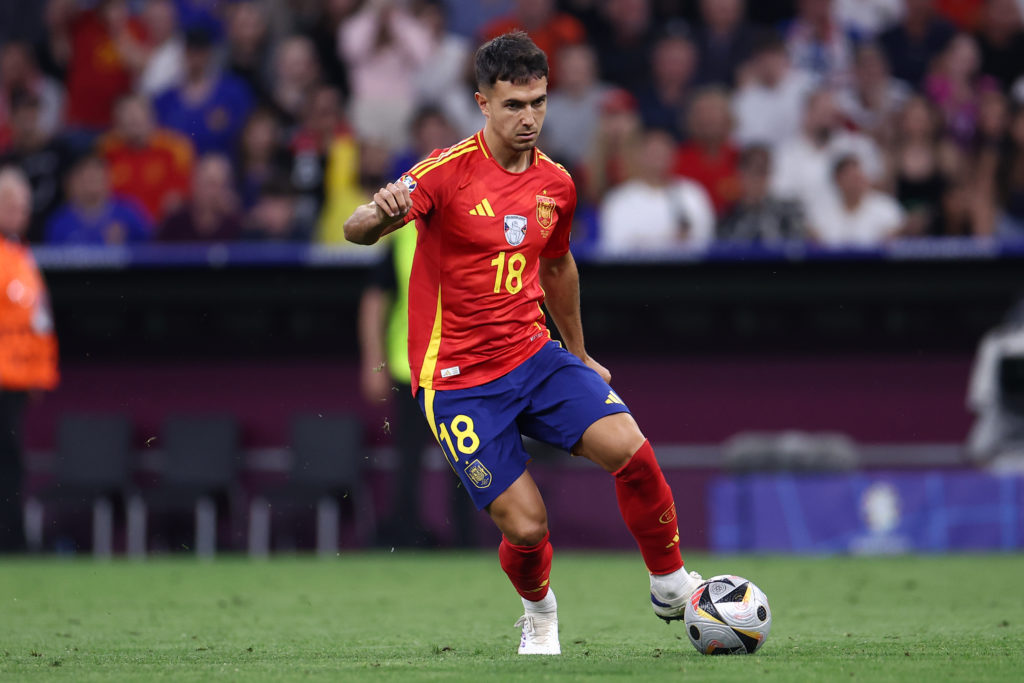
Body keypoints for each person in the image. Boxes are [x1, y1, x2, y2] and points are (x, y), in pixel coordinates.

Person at [343, 31, 702, 656]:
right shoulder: (444, 173)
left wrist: (581, 353)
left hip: (533, 357)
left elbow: (558, 268)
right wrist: (379, 210)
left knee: (632, 450)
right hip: (457, 382)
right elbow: (357, 230)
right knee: (528, 524)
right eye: (514, 105)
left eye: (538, 101)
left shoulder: (556, 185)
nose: (529, 117)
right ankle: (539, 614)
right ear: (483, 103)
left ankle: (670, 585)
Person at [358, 225, 476, 548]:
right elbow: (375, 301)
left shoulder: (475, 225)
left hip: (463, 369)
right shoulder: (402, 238)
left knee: (468, 458)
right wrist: (373, 361)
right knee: (409, 458)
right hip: (410, 368)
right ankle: (406, 535)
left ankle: (465, 539)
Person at [0, 167, 58, 552]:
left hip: (17, 381)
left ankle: (13, 539)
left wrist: (39, 373)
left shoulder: (20, 253)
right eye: (12, 205)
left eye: (24, 206)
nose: (22, 213)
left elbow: (37, 320)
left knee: (12, 465)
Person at [600, 127, 715, 253]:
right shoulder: (619, 200)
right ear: (639, 156)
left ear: (674, 155)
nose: (658, 159)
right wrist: (670, 241)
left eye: (663, 152)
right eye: (652, 153)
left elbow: (705, 242)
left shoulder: (693, 194)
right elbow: (615, 248)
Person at [45, 155, 153, 245]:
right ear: (74, 182)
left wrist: (125, 244)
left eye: (97, 178)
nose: (92, 184)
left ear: (108, 179)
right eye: (88, 179)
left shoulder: (130, 212)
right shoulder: (59, 221)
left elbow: (152, 250)